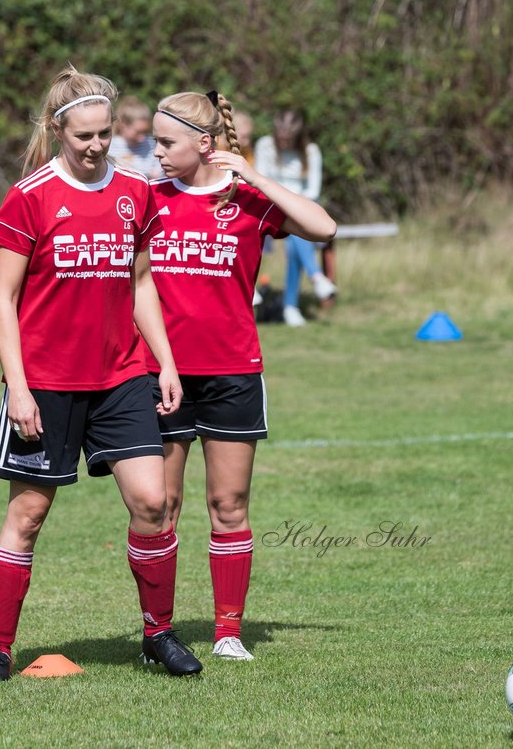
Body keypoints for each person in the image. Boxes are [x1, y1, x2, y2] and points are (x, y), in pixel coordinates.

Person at [0, 66, 199, 681]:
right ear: (57, 131)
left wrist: (166, 362)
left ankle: (158, 634)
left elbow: (142, 282)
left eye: (105, 134)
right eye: (84, 137)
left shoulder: (136, 192)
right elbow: (1, 301)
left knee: (154, 502)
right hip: (44, 383)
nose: (98, 145)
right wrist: (17, 387)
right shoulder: (29, 197)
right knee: (27, 517)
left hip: (121, 376)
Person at [148, 90, 337, 660]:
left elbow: (322, 227)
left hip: (233, 374)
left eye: (166, 142)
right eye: (154, 141)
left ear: (204, 144)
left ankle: (228, 634)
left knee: (229, 505)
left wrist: (254, 176)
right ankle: (158, 631)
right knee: (161, 506)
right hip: (164, 377)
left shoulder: (246, 199)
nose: (155, 153)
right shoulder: (147, 198)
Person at [254, 109, 336, 326]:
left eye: (289, 139)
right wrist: (284, 201)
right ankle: (315, 280)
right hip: (270, 207)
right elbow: (260, 181)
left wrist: (292, 203)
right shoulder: (264, 145)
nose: (284, 142)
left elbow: (313, 190)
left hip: (299, 209)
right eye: (281, 137)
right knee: (298, 234)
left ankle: (291, 306)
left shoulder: (311, 151)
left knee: (295, 242)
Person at [108, 96, 164, 179]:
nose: (142, 138)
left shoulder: (149, 143)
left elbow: (157, 167)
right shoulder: (110, 146)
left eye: (145, 132)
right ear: (123, 124)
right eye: (138, 132)